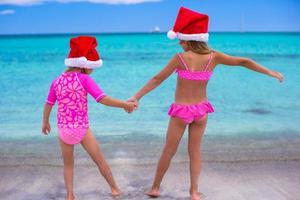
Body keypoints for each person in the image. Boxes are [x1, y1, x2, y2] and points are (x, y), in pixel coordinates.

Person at [128, 7, 284, 200]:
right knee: (195, 152)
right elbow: (244, 61)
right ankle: (194, 192)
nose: (179, 42)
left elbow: (157, 79)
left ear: (188, 39)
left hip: (181, 112)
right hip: (202, 111)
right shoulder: (214, 57)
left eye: (181, 39)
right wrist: (270, 72)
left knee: (169, 151)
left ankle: (155, 188)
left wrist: (137, 96)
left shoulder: (180, 59)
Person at [41, 36, 136, 200]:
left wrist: (45, 122)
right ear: (85, 65)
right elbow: (102, 98)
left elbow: (49, 103)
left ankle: (70, 195)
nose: (93, 70)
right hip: (82, 128)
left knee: (68, 164)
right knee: (99, 160)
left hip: (63, 128)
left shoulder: (56, 81)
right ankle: (114, 189)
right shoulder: (84, 79)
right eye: (92, 67)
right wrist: (125, 105)